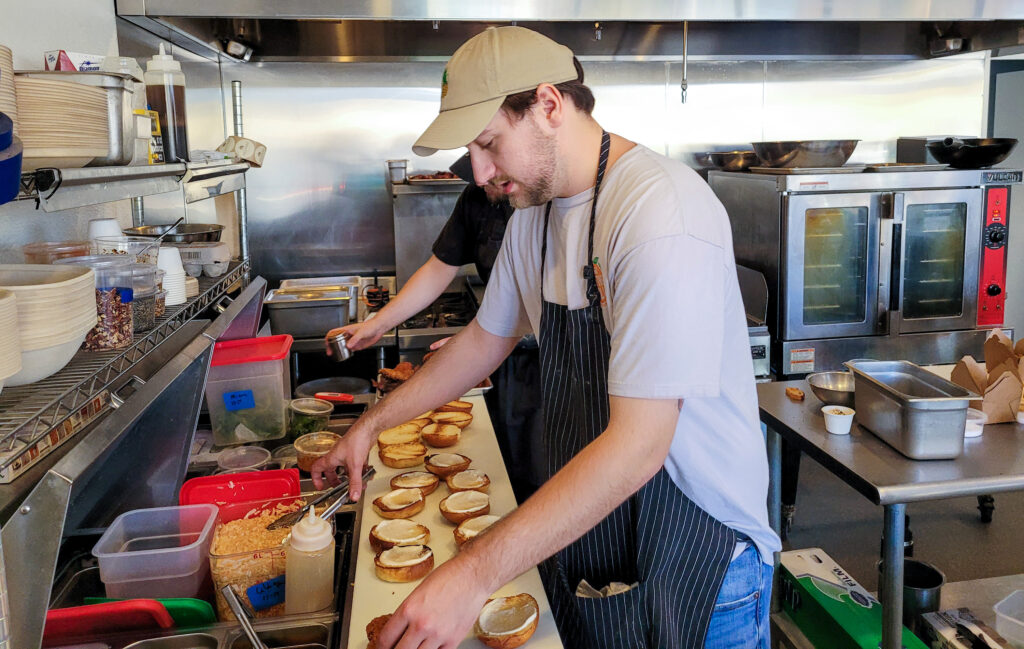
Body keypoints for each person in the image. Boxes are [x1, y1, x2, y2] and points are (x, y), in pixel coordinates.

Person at [311, 25, 780, 649]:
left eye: (488, 144)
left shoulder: (658, 213)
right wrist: (370, 425)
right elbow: (484, 340)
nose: (479, 172)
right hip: (594, 535)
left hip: (701, 558)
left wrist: (473, 572)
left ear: (549, 106)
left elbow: (641, 446)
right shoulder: (534, 215)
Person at [325, 154, 545, 500]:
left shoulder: (547, 203)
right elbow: (440, 267)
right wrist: (377, 323)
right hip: (496, 357)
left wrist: (479, 340)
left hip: (545, 363)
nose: (481, 180)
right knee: (493, 455)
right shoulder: (476, 196)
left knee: (537, 469)